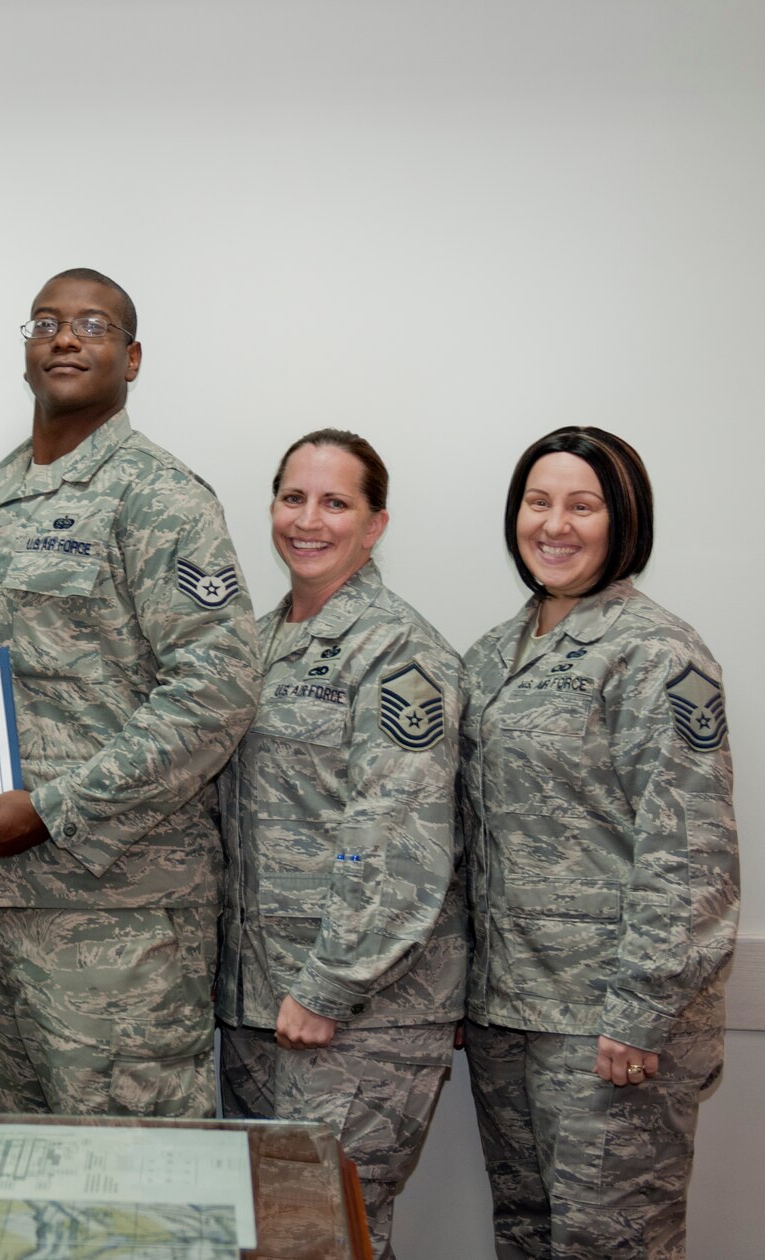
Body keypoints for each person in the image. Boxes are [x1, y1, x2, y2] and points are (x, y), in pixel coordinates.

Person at [0, 268, 259, 1117]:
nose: (65, 338)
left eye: (93, 325)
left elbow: (216, 692)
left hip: (121, 929)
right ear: (26, 352)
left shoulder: (160, 496)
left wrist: (56, 809)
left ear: (132, 359)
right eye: (46, 323)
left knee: (132, 1182)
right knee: (8, 1170)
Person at [462, 426, 739, 1259]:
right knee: (525, 1235)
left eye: (582, 506)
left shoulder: (659, 653)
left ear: (624, 520)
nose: (554, 525)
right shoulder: (490, 656)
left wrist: (642, 1011)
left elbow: (690, 853)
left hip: (609, 1027)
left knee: (610, 1247)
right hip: (508, 1013)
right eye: (537, 502)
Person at [215, 430, 466, 1260]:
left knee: (320, 1239)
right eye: (293, 498)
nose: (308, 520)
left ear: (375, 524)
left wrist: (330, 986)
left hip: (359, 1013)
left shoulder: (398, 650)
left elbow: (391, 834)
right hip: (258, 1005)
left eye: (335, 502)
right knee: (281, 1239)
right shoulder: (255, 644)